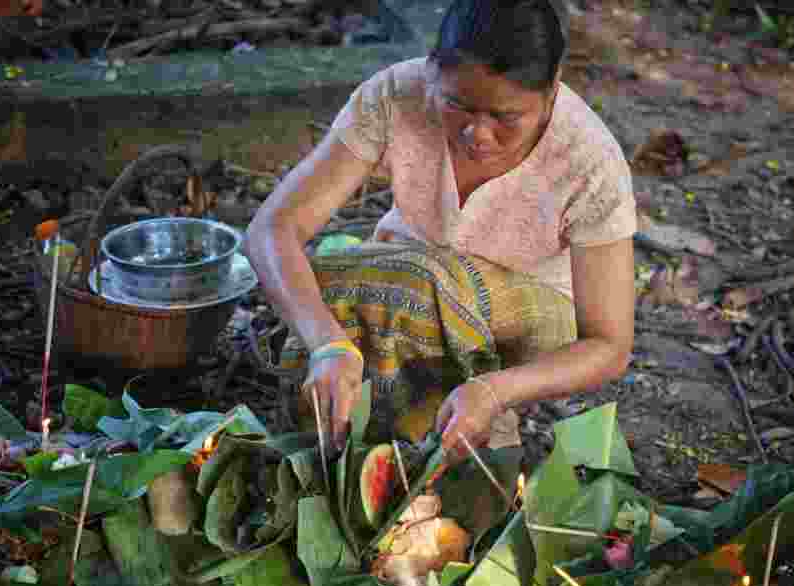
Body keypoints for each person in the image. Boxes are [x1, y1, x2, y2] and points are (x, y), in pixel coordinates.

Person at [244, 0, 636, 464]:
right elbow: (272, 230)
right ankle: (384, 443)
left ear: (551, 92)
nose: (478, 134)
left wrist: (495, 391)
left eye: (506, 117)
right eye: (456, 105)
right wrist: (327, 344)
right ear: (430, 72)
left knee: (416, 283)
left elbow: (608, 346)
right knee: (314, 289)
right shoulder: (395, 96)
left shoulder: (590, 160)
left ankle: (464, 428)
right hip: (410, 283)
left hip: (532, 319)